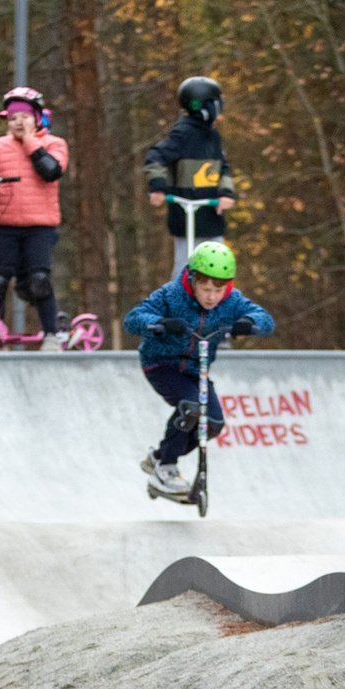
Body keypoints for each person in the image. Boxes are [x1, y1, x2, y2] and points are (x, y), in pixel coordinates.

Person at [123, 240, 273, 498]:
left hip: (196, 370)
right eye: (206, 289)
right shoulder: (171, 294)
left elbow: (266, 320)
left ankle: (158, 457)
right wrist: (160, 323)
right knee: (191, 408)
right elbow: (133, 319)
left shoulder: (232, 301)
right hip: (161, 364)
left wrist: (249, 322)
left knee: (213, 424)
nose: (212, 297)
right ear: (192, 280)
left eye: (219, 289)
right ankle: (166, 467)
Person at [0, 86, 72, 346]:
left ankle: (52, 334)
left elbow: (51, 171)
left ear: (37, 118)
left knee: (38, 280)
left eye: (24, 117)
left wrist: (29, 141)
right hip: (4, 225)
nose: (18, 122)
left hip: (40, 226)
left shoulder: (54, 144)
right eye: (12, 118)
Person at [143, 76, 234, 280]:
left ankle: (217, 307)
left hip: (211, 215)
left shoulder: (213, 136)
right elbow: (155, 156)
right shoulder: (182, 134)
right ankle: (179, 305)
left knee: (218, 267)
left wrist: (226, 193)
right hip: (187, 216)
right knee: (185, 268)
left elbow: (223, 167)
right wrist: (158, 187)